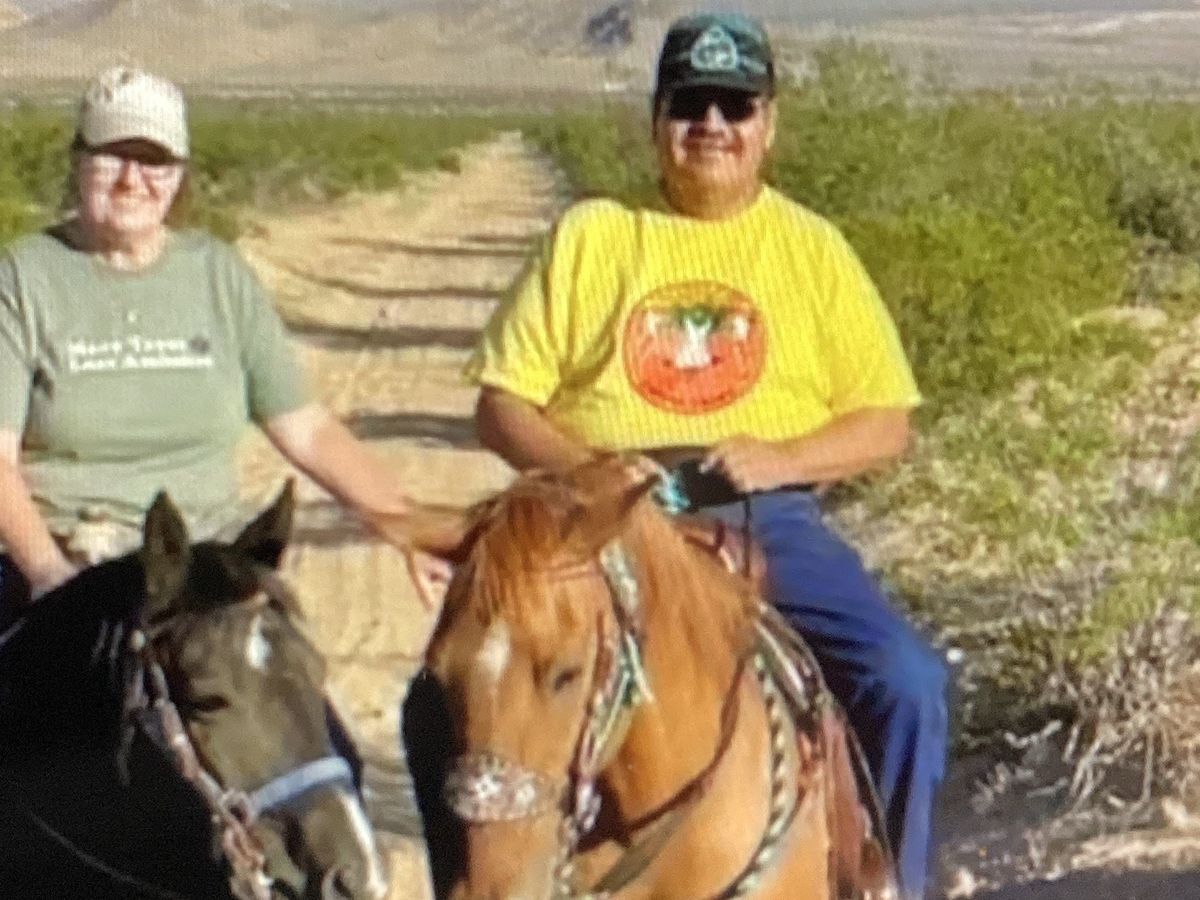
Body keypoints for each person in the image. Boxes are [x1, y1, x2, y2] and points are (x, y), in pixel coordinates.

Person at [464, 13, 948, 898]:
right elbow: (499, 405)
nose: (713, 125)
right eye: (691, 105)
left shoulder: (812, 247)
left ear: (770, 123)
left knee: (905, 681)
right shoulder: (593, 235)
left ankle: (894, 881)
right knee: (447, 695)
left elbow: (887, 422)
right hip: (600, 519)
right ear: (657, 121)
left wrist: (783, 456)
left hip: (763, 512)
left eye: (735, 105)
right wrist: (593, 476)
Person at [0, 66, 448, 616]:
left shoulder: (218, 275)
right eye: (112, 154)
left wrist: (408, 527)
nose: (132, 179)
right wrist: (52, 578)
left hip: (206, 569)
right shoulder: (24, 277)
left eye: (154, 160)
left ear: (179, 174)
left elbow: (307, 430)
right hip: (70, 562)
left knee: (284, 670)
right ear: (79, 161)